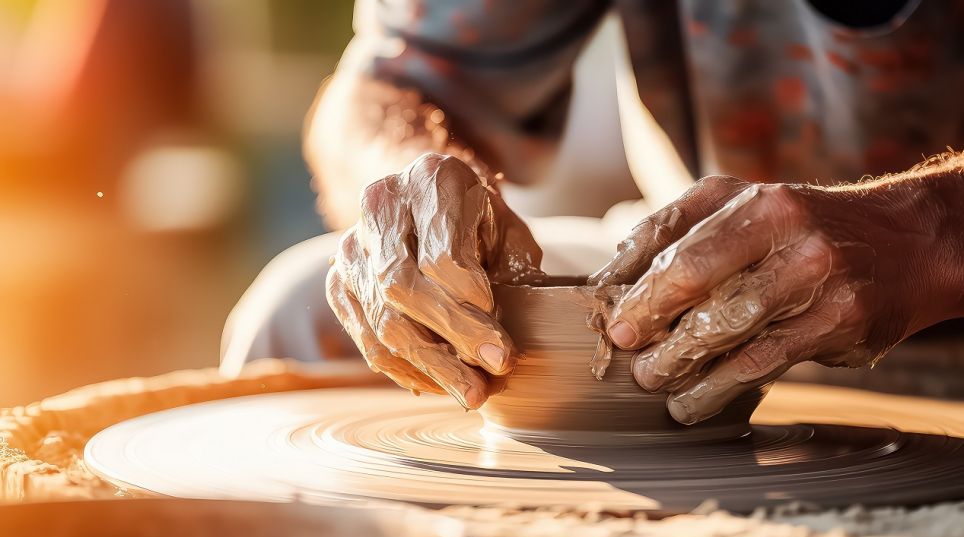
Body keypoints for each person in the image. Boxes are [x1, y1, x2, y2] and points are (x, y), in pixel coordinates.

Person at [221, 0, 964, 424]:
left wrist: (925, 229)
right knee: (306, 310)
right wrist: (410, 196)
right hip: (700, 288)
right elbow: (395, 81)